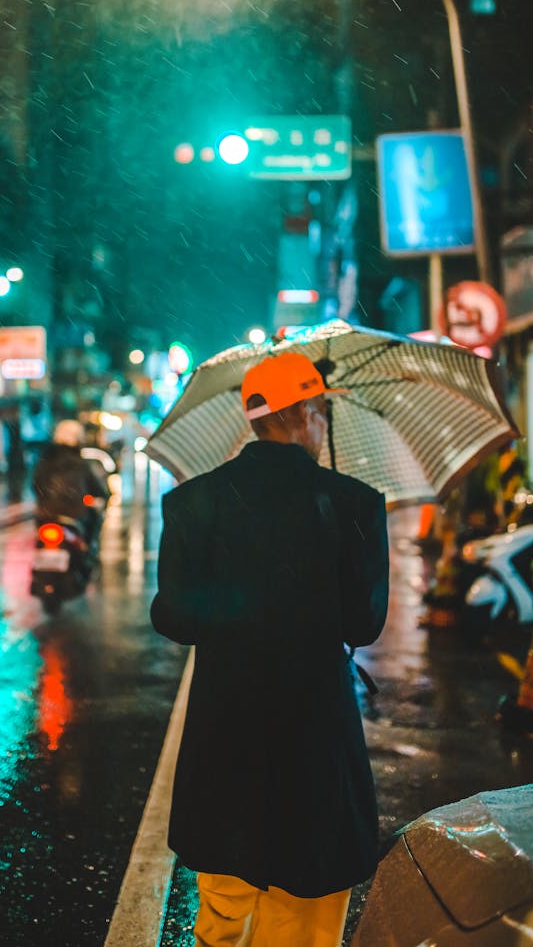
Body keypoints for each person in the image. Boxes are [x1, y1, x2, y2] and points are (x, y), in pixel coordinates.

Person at [150, 351, 389, 947]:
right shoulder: (354, 503)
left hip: (227, 731)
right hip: (315, 734)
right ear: (307, 411)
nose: (324, 425)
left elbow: (176, 618)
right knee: (305, 906)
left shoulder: (193, 501)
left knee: (226, 894)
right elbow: (364, 625)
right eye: (322, 414)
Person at [33, 419, 109, 545]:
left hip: (46, 516)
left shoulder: (46, 460)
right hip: (74, 516)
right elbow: (97, 489)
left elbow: (36, 484)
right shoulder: (79, 463)